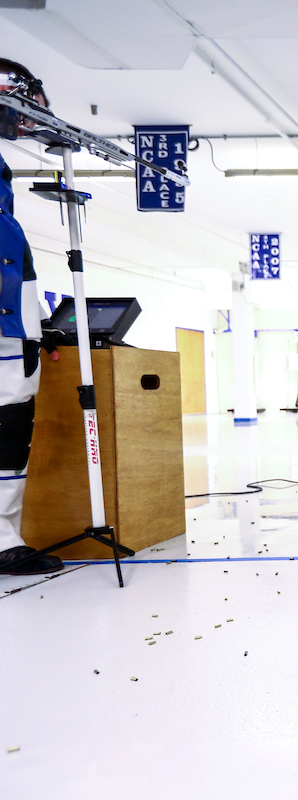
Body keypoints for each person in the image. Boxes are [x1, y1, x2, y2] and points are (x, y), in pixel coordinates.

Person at [0, 59, 64, 577]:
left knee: (9, 436)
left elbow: (20, 269)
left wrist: (39, 326)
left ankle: (4, 539)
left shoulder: (4, 189)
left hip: (12, 340)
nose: (27, 123)